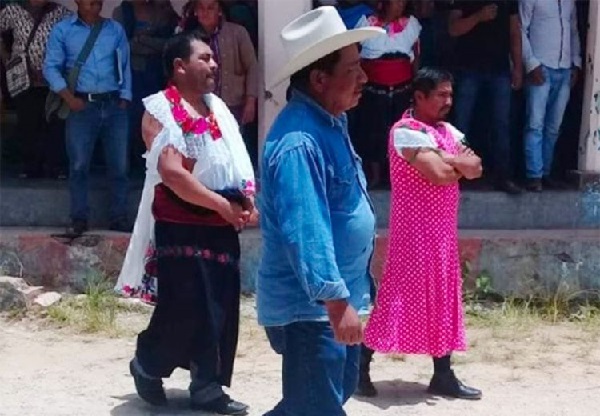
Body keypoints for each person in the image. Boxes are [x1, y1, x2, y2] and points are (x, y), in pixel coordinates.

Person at [117, 32, 257, 415]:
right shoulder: (160, 110)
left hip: (221, 223)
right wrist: (220, 206)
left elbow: (233, 164)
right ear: (180, 66)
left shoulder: (218, 111)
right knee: (186, 305)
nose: (214, 65)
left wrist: (244, 203)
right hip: (181, 223)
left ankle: (207, 385)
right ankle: (148, 362)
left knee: (221, 305)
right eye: (205, 58)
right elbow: (173, 173)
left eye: (214, 58)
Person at [257, 6, 384, 415]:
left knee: (319, 400)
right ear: (319, 79)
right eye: (353, 68)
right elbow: (305, 229)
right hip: (310, 309)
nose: (364, 77)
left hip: (333, 300)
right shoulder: (300, 141)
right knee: (318, 408)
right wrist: (334, 301)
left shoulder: (328, 123)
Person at [363, 68, 483, 400]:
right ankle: (360, 367)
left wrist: (448, 158)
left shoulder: (446, 130)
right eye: (441, 95)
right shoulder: (404, 131)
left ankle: (443, 375)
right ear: (419, 97)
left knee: (443, 299)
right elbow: (442, 175)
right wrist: (453, 161)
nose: (448, 101)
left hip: (442, 232)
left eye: (450, 94)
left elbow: (477, 167)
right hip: (413, 234)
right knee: (396, 300)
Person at [43, 0, 132, 235]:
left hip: (113, 104)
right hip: (81, 105)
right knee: (79, 165)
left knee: (119, 166)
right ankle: (79, 218)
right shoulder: (63, 30)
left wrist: (125, 96)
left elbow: (124, 64)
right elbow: (51, 67)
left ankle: (119, 217)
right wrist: (68, 98)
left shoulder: (115, 29)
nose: (94, 3)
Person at [449, 0, 523, 194]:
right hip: (468, 69)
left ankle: (503, 177)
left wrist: (518, 67)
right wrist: (478, 17)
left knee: (502, 125)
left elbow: (515, 32)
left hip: (499, 70)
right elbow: (453, 29)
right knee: (461, 125)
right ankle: (457, 175)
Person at [351, 0, 421, 189]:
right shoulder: (366, 23)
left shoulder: (411, 24)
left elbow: (415, 57)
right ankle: (374, 175)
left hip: (402, 88)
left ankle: (397, 175)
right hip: (374, 89)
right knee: (373, 131)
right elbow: (356, 56)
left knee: (401, 132)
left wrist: (417, 85)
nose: (400, 5)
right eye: (396, 2)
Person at [0, 0, 70, 179]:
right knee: (28, 122)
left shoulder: (60, 12)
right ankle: (30, 166)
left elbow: (72, 39)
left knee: (53, 122)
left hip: (53, 79)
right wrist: (8, 59)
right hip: (24, 78)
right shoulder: (13, 10)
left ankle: (55, 166)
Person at [520, 0, 581, 192]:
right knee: (535, 124)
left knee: (554, 127)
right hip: (541, 67)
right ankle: (534, 175)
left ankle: (545, 173)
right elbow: (521, 29)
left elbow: (573, 31)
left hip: (564, 69)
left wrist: (576, 62)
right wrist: (530, 63)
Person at [113, 0, 179, 171]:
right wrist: (150, 43)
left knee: (156, 120)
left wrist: (141, 40)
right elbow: (124, 46)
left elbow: (169, 46)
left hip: (157, 76)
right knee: (130, 119)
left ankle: (152, 166)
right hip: (130, 76)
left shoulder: (163, 12)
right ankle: (130, 165)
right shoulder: (120, 12)